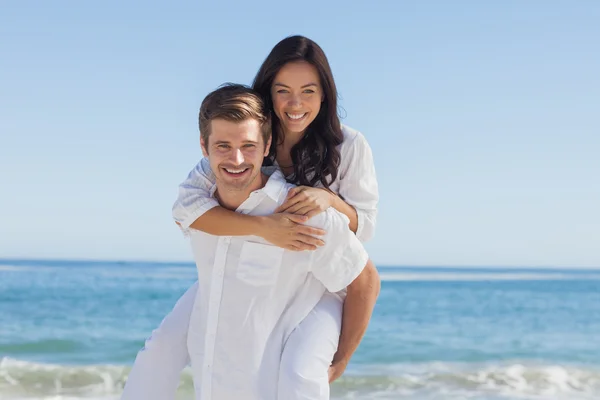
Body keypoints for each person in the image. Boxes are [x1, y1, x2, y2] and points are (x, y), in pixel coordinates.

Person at [122, 35, 379, 400]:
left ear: (324, 94)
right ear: (268, 91)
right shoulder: (245, 134)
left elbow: (364, 229)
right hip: (259, 260)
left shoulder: (348, 145)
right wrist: (263, 229)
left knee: (299, 374)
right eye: (282, 91)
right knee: (164, 347)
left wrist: (328, 200)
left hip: (322, 273)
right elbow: (187, 209)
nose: (295, 104)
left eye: (308, 91)